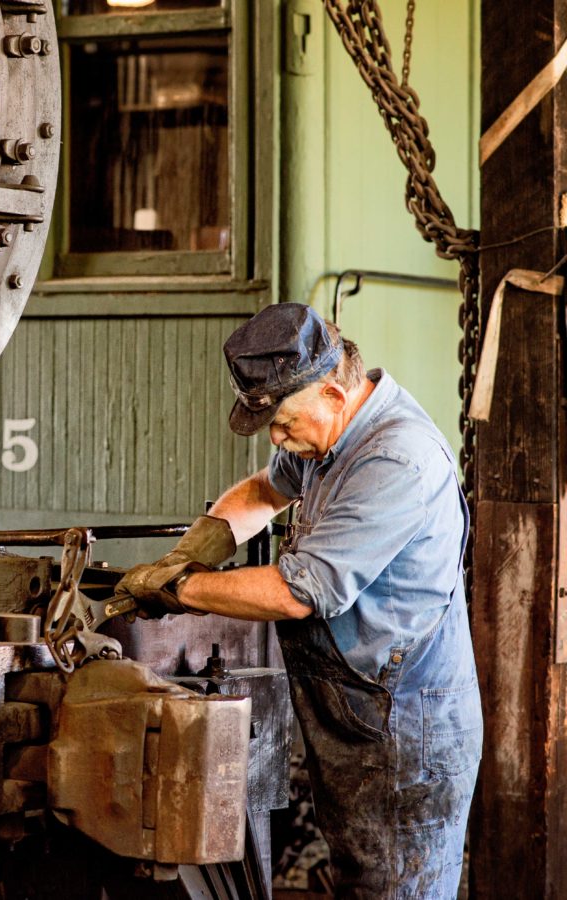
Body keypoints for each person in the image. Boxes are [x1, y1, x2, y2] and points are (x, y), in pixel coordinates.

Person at [114, 302, 481, 898]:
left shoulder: (395, 459)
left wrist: (178, 589)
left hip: (403, 733)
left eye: (283, 423)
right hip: (358, 716)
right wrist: (195, 549)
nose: (279, 439)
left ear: (334, 395)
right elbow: (266, 488)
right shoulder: (327, 434)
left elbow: (297, 591)